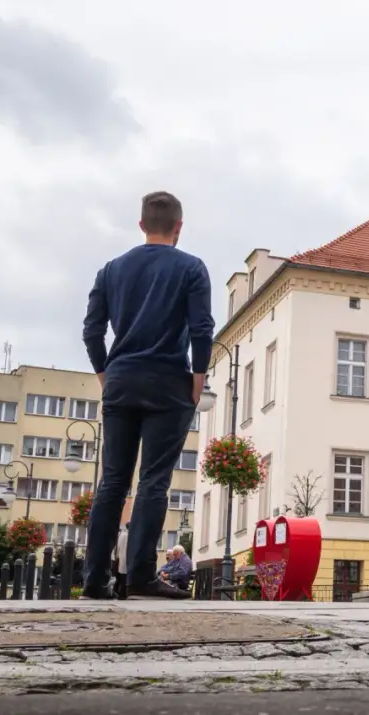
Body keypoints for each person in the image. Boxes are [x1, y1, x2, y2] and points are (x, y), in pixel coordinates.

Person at [80, 191, 214, 601]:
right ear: (179, 226)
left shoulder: (110, 270)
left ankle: (93, 579)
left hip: (121, 380)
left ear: (141, 225)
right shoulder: (191, 268)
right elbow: (201, 329)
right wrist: (197, 379)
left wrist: (106, 373)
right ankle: (139, 574)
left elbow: (91, 330)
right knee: (154, 480)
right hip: (168, 383)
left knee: (113, 482)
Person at [113, 524, 129, 600]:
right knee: (123, 579)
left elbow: (117, 547)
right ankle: (122, 595)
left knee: (119, 578)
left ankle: (115, 592)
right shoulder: (127, 535)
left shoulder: (121, 534)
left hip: (119, 559)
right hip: (125, 560)